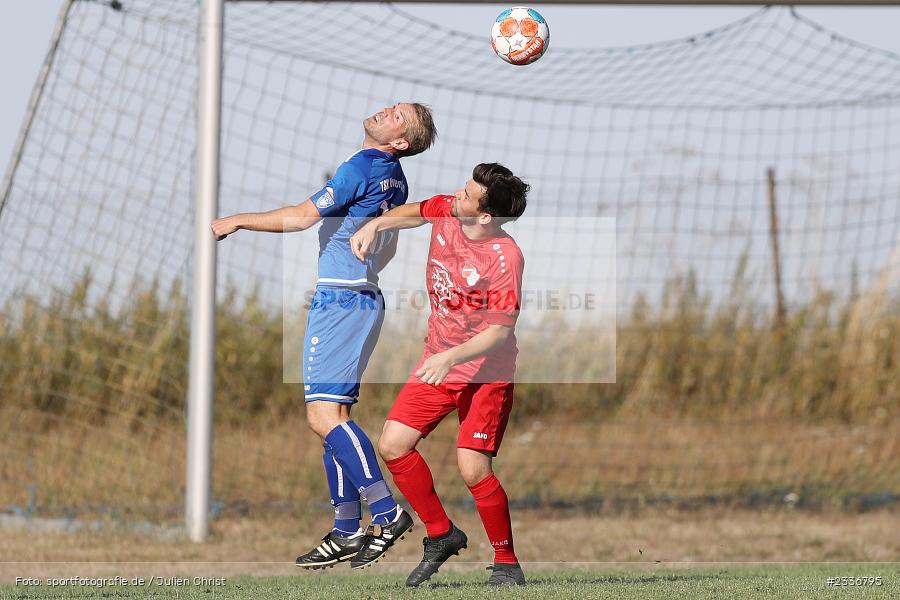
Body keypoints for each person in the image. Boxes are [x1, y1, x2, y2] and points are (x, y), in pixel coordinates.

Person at [210, 103, 437, 570]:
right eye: (393, 105)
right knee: (335, 417)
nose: (386, 110)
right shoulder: (394, 177)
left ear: (401, 142)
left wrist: (234, 220)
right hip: (362, 296)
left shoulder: (361, 166)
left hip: (342, 300)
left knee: (321, 417)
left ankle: (388, 512)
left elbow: (300, 217)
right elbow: (388, 242)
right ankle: (347, 528)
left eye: (398, 116)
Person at [349, 163, 529, 587]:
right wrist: (376, 224)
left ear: (486, 216)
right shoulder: (450, 210)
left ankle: (507, 564)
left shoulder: (506, 257)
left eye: (467, 196)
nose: (455, 197)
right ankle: (441, 533)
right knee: (393, 445)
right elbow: (415, 212)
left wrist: (450, 359)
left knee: (472, 470)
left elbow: (500, 332)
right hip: (439, 360)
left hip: (486, 372)